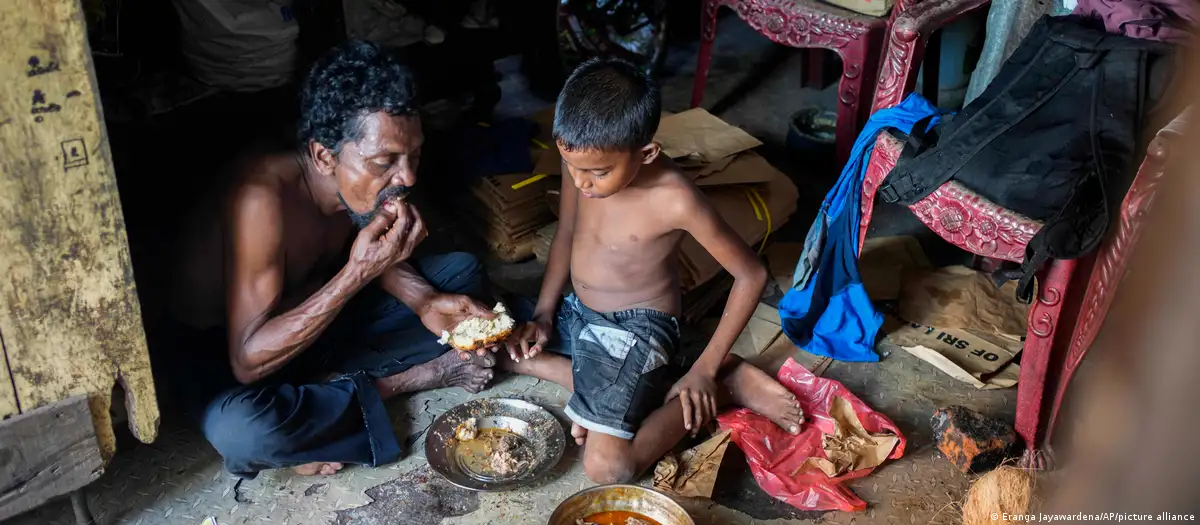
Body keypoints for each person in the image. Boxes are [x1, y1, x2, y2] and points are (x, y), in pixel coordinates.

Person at [160, 40, 500, 478]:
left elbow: (372, 253)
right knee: (245, 432)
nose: (409, 176)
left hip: (317, 324)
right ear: (324, 156)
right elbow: (247, 360)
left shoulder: (358, 182)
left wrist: (423, 301)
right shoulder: (261, 198)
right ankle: (412, 379)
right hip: (230, 356)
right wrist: (358, 273)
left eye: (414, 155)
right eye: (386, 161)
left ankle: (326, 399)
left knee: (461, 274)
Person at [491, 57, 806, 484]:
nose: (582, 183)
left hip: (637, 329)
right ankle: (609, 390)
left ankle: (722, 383)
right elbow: (566, 231)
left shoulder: (674, 198)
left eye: (598, 173)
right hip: (578, 312)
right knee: (494, 343)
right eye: (572, 168)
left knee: (608, 467)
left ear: (647, 153)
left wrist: (705, 370)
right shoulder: (581, 164)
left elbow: (750, 275)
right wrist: (545, 313)